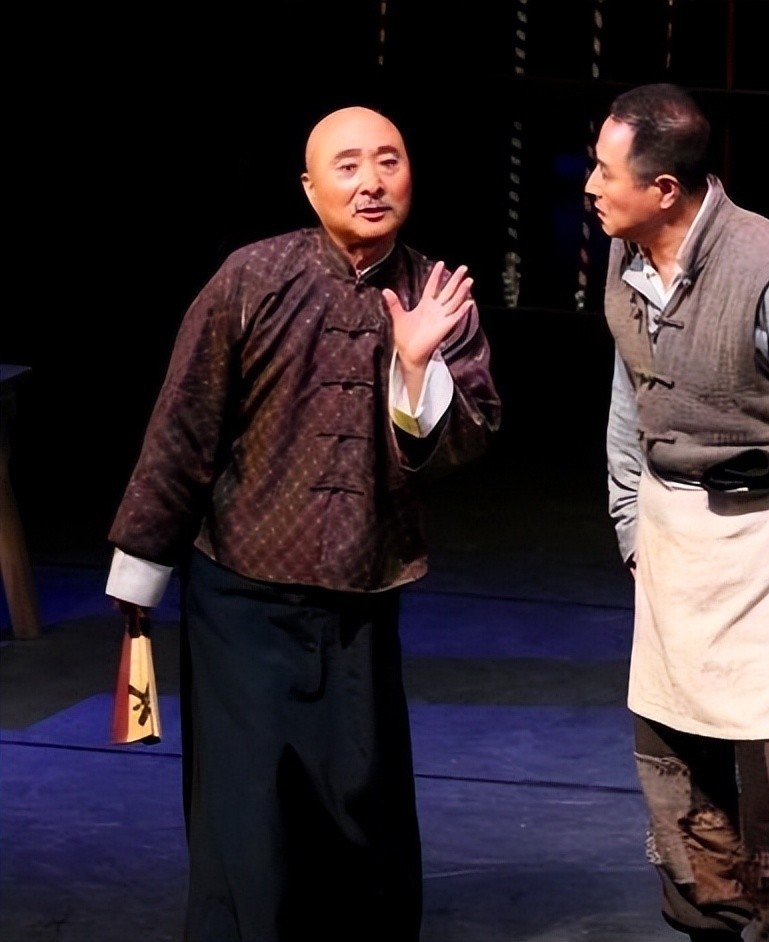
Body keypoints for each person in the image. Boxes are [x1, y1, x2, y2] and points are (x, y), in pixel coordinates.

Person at [105, 105, 500, 941]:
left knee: (359, 801)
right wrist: (141, 565)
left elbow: (468, 438)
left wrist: (416, 365)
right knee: (246, 809)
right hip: (240, 594)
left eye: (389, 160)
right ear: (310, 187)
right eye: (348, 165)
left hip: (363, 594)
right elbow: (185, 421)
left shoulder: (435, 294)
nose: (371, 182)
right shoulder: (254, 277)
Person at [585, 82, 769, 941]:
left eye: (606, 171)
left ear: (664, 188)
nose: (592, 186)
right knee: (679, 755)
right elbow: (630, 397)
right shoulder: (625, 259)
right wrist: (630, 522)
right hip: (675, 541)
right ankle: (707, 918)